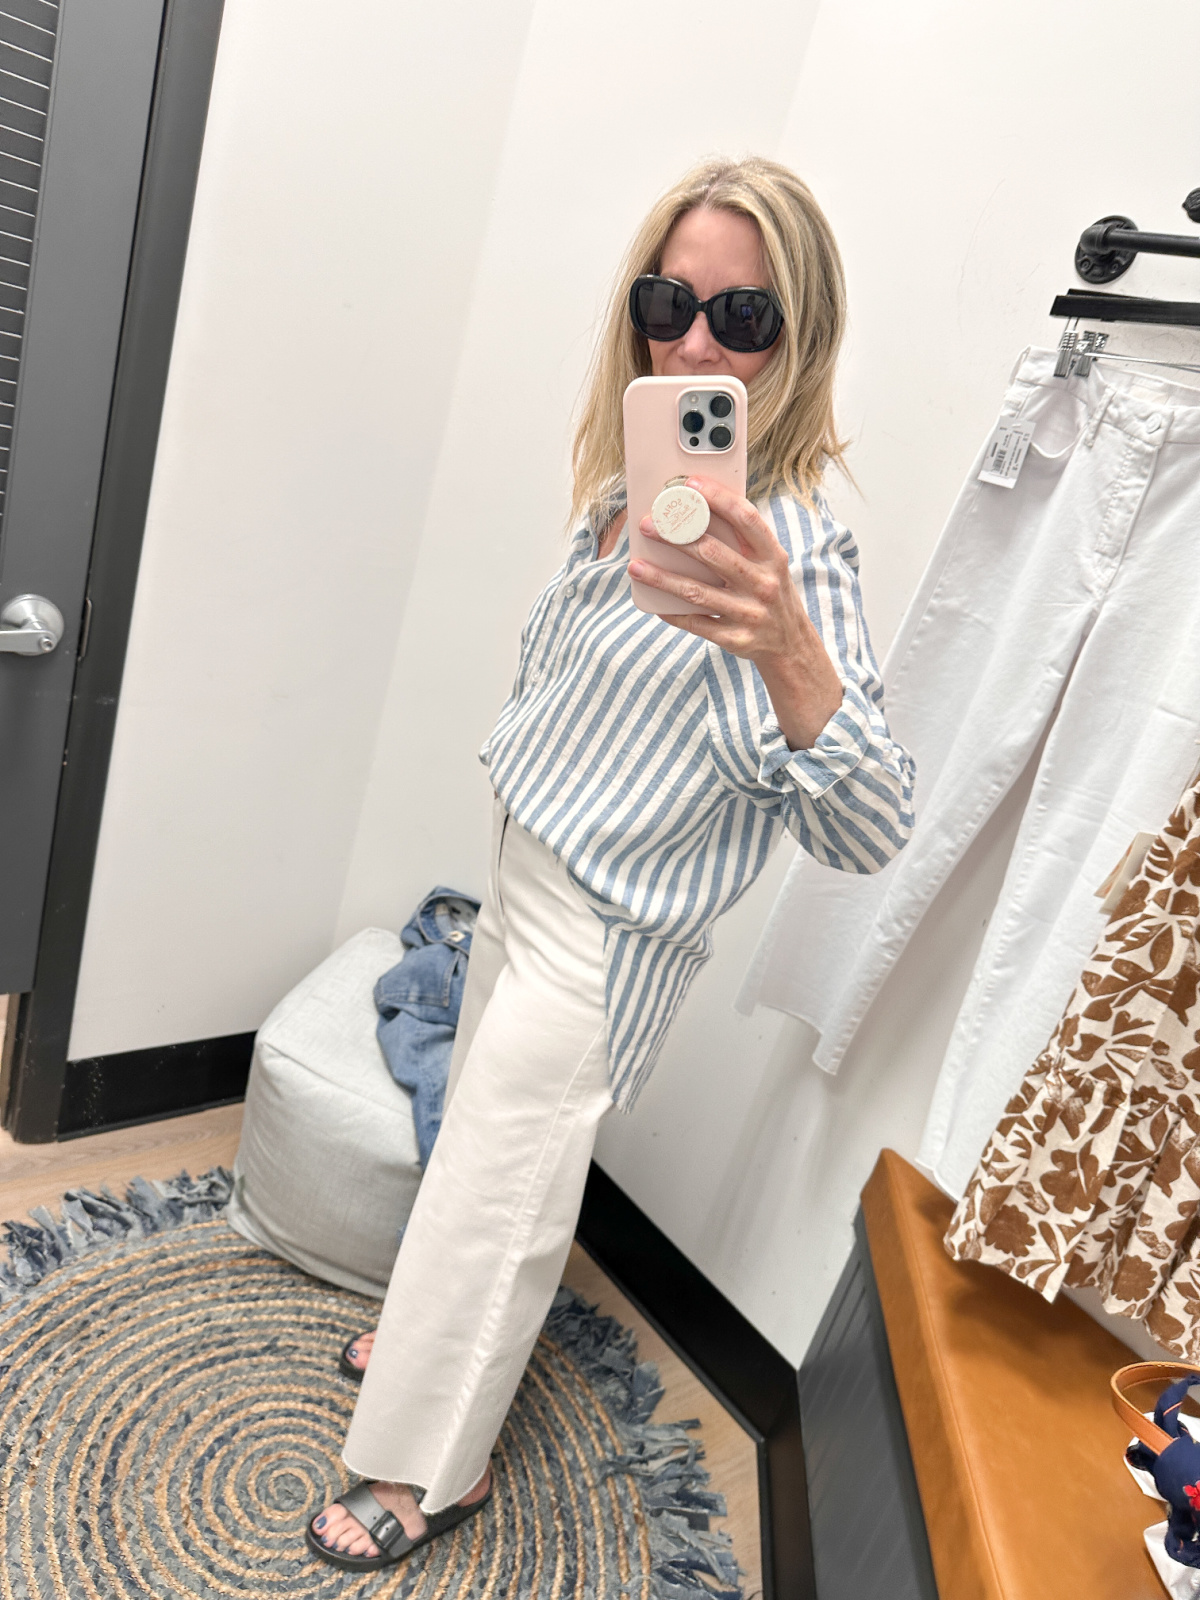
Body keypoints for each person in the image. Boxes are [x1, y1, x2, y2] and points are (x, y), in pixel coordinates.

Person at [306, 154, 916, 1570]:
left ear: (797, 343)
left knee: (500, 1192)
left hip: (610, 923)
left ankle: (419, 1469)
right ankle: (425, 1339)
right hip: (524, 858)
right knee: (474, 1138)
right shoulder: (627, 500)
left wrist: (784, 645)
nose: (696, 343)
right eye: (669, 301)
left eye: (743, 320)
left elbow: (870, 828)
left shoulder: (795, 558)